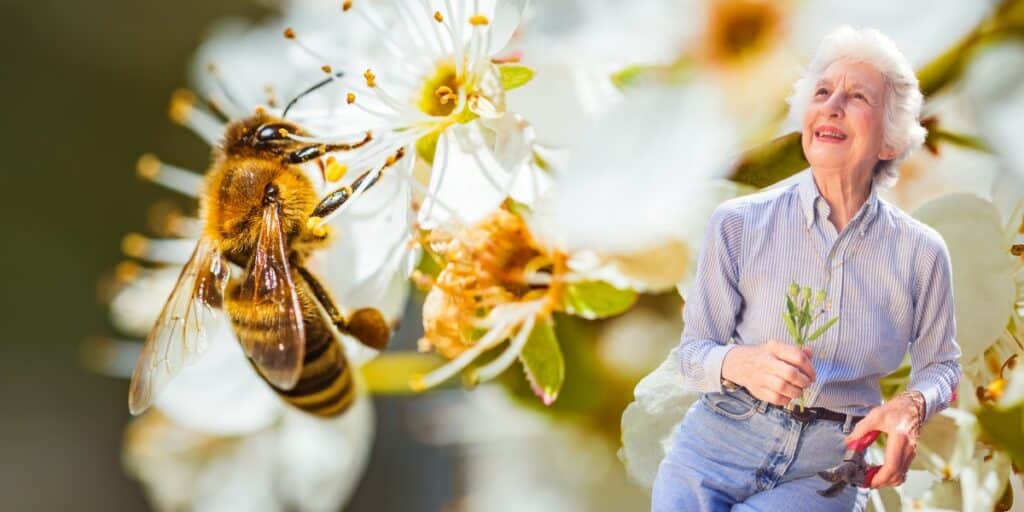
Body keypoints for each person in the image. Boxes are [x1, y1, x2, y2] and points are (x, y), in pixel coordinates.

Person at [651, 25, 962, 511]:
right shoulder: (737, 222)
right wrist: (742, 364)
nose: (832, 105)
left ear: (891, 141)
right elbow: (692, 356)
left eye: (858, 96)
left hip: (828, 467)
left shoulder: (921, 251)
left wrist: (912, 405)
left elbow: (943, 364)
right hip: (718, 445)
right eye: (821, 92)